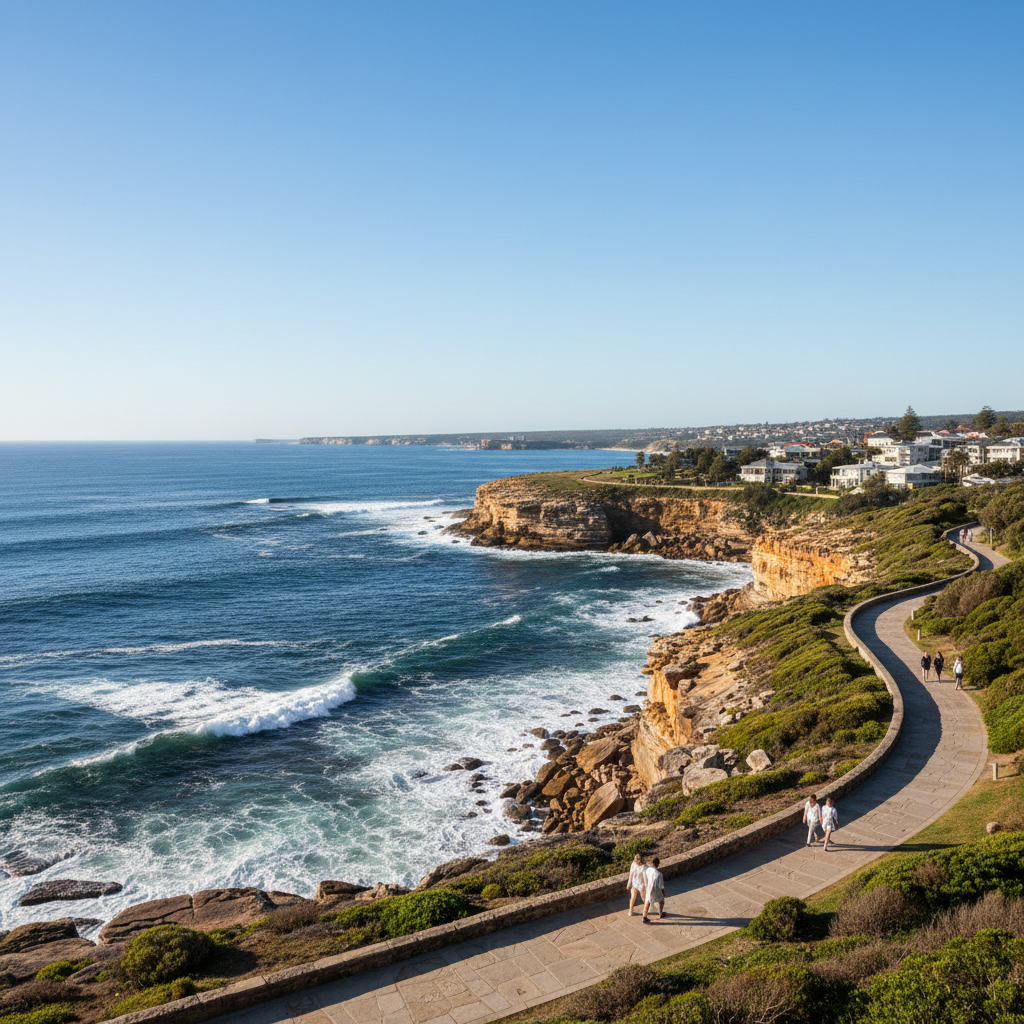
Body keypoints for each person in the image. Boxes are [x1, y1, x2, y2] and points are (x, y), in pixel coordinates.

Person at [642, 856, 666, 922]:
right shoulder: (659, 874)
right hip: (656, 890)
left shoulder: (648, 870)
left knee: (648, 901)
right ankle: (660, 913)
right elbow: (661, 886)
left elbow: (644, 877)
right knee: (661, 901)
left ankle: (644, 916)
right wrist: (663, 893)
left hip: (649, 888)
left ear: (652, 863)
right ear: (658, 864)